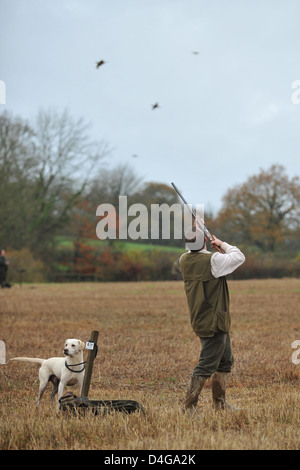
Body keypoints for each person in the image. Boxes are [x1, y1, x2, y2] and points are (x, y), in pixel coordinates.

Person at [179, 223, 245, 413]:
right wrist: (221, 243)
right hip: (214, 321)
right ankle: (188, 407)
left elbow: (199, 253)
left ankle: (220, 404)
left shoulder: (184, 260)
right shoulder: (213, 261)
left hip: (208, 318)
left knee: (225, 361)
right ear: (205, 241)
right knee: (206, 365)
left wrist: (198, 231)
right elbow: (239, 257)